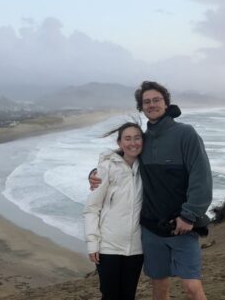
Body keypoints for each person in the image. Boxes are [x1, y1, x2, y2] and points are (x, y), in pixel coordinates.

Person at [90, 81, 213, 300]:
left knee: (192, 287)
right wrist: (94, 174)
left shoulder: (186, 134)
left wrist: (189, 214)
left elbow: (201, 177)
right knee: (159, 286)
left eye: (156, 100)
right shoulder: (144, 140)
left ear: (166, 103)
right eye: (146, 102)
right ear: (141, 107)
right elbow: (121, 157)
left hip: (182, 226)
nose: (152, 104)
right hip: (151, 230)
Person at [84, 122, 145, 300]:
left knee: (128, 296)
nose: (133, 143)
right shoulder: (107, 168)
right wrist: (92, 243)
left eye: (137, 138)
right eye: (127, 138)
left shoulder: (148, 169)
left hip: (136, 250)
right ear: (119, 143)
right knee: (110, 296)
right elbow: (91, 208)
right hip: (108, 248)